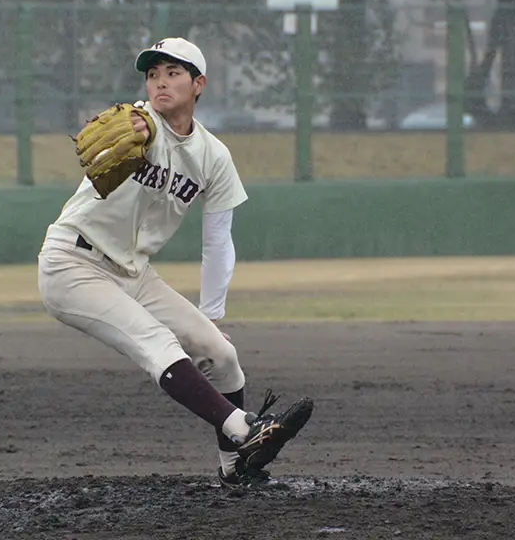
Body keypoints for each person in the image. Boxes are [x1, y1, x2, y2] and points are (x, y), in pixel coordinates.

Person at [37, 37, 313, 490]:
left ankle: (236, 466)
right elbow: (132, 122)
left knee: (221, 354)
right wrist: (138, 127)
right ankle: (246, 430)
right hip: (73, 263)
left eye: (173, 73)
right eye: (153, 74)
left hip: (133, 273)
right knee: (157, 342)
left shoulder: (212, 155)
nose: (160, 81)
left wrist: (212, 313)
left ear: (198, 84)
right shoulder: (139, 122)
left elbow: (218, 239)